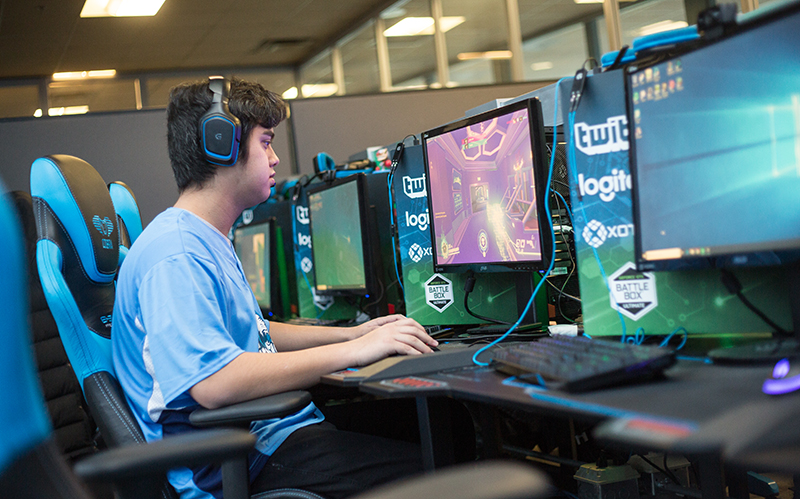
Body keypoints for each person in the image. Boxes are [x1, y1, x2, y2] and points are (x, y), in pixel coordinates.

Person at [111, 77, 439, 499]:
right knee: (437, 466)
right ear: (220, 144)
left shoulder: (203, 237)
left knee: (440, 428)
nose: (275, 157)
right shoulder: (177, 254)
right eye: (265, 142)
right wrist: (355, 352)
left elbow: (256, 331)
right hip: (234, 463)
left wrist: (353, 334)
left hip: (265, 434)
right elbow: (214, 382)